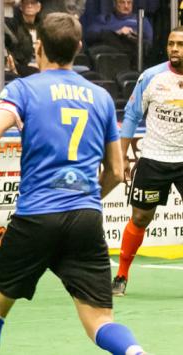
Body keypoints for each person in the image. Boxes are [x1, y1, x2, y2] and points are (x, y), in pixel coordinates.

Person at [0, 13, 146, 355]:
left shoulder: (22, 88)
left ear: (38, 47)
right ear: (79, 48)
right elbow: (116, 170)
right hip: (85, 218)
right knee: (100, 321)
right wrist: (87, 197)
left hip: (36, 217)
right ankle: (136, 352)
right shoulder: (102, 98)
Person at [112, 27, 183, 297]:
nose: (174, 49)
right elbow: (131, 116)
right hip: (154, 158)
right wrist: (122, 157)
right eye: (170, 44)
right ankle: (121, 275)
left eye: (180, 45)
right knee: (141, 217)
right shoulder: (151, 77)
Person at [85, 0, 153, 67]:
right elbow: (90, 36)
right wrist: (117, 33)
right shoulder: (105, 19)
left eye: (129, 3)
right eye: (122, 2)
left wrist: (134, 36)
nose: (126, 6)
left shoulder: (141, 21)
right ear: (115, 4)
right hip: (107, 58)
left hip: (132, 56)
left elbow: (148, 44)